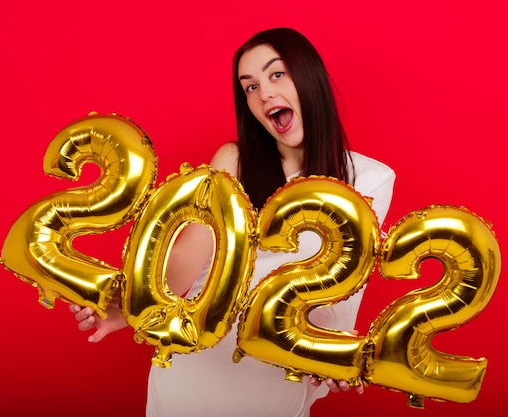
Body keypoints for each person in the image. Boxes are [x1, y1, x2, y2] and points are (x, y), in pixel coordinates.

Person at [71, 27, 395, 417]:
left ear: (310, 77)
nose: (264, 94)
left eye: (276, 75)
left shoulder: (371, 181)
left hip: (275, 382)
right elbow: (185, 266)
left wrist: (337, 354)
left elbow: (341, 299)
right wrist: (124, 308)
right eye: (250, 86)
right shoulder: (233, 162)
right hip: (193, 372)